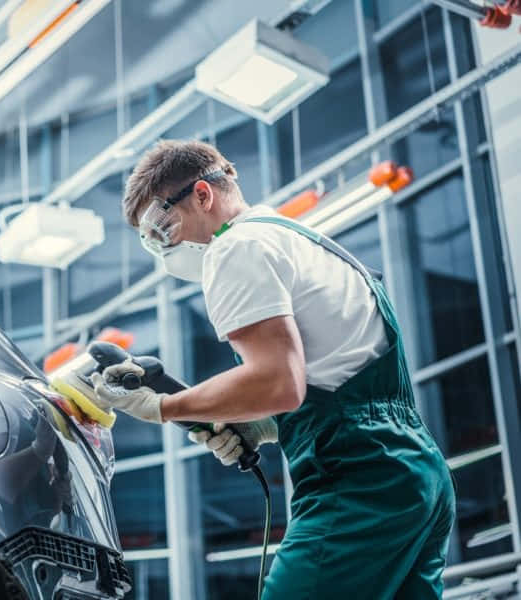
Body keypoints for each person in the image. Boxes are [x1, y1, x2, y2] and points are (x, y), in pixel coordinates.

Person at [89, 139, 456, 598]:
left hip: (358, 482)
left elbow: (279, 382)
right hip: (416, 472)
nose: (165, 247)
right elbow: (333, 376)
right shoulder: (298, 240)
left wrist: (164, 406)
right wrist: (267, 425)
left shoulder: (234, 248)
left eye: (162, 227)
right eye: (151, 239)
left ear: (202, 195)